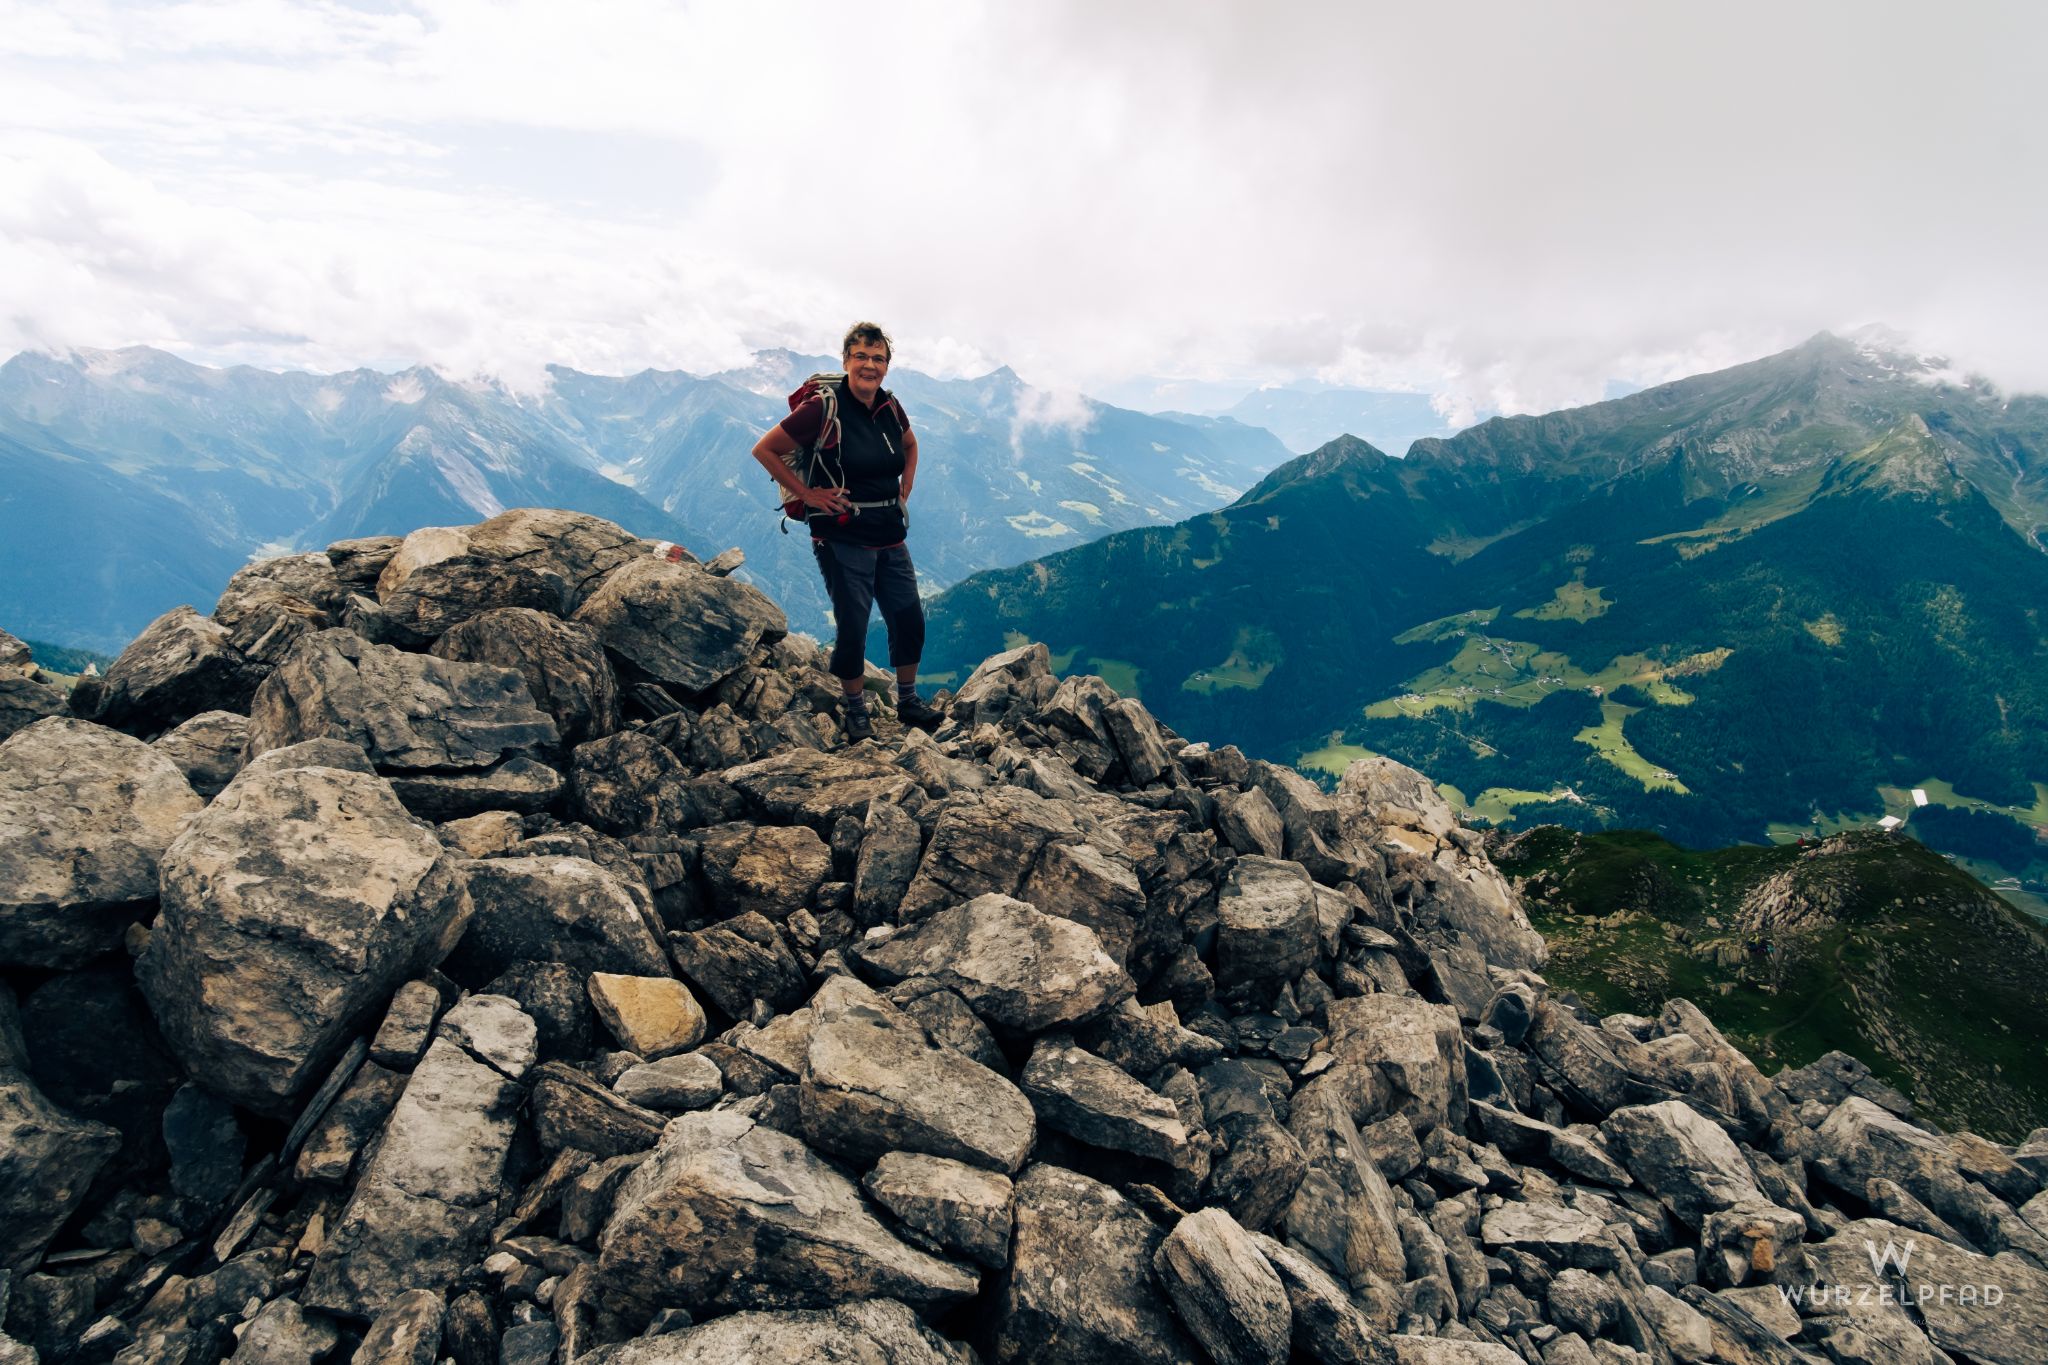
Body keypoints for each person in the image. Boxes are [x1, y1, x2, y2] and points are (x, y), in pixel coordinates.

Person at [750, 321, 943, 741]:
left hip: (890, 532)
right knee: (853, 623)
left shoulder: (889, 406)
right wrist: (808, 493)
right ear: (846, 361)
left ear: (887, 366)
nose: (869, 365)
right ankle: (856, 710)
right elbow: (764, 449)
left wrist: (907, 483)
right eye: (861, 356)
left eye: (878, 358)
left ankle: (908, 701)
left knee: (908, 617)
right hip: (842, 535)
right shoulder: (823, 408)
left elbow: (910, 445)